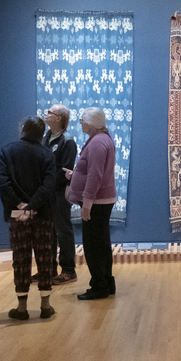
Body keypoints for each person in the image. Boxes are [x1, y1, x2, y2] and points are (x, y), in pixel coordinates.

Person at [0, 116, 57, 320]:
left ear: (23, 129)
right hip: (42, 214)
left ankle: (21, 308)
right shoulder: (47, 154)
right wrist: (32, 206)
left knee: (20, 259)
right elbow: (48, 186)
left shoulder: (7, 151)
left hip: (16, 215)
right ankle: (45, 306)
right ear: (41, 134)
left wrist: (20, 205)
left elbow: (2, 182)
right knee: (45, 258)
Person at [66, 107, 117, 300]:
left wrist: (87, 203)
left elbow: (96, 176)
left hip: (97, 201)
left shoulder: (97, 143)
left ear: (91, 123)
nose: (80, 123)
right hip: (102, 199)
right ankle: (106, 282)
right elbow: (94, 172)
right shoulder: (104, 139)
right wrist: (75, 175)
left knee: (93, 245)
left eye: (82, 120)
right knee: (102, 243)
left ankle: (99, 286)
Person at [44, 104, 79, 285]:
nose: (46, 114)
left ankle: (68, 271)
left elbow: (65, 170)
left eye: (50, 112)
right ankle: (49, 269)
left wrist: (46, 181)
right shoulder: (45, 138)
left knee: (63, 230)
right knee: (48, 231)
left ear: (58, 118)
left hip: (60, 193)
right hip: (45, 194)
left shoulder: (68, 141)